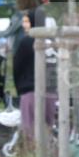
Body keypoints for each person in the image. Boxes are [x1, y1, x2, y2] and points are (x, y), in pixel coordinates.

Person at [13, 10, 56, 142]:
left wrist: (19, 88)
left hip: (30, 91)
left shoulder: (26, 42)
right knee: (49, 130)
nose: (24, 25)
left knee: (30, 132)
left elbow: (17, 67)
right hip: (51, 92)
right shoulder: (53, 42)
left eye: (27, 21)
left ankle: (34, 154)